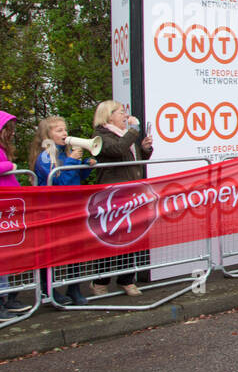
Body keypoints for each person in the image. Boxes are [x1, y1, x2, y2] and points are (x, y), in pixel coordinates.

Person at [91, 99, 154, 297]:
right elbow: (116, 150)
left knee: (131, 236)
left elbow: (131, 159)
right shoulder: (101, 136)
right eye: (120, 112)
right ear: (108, 116)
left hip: (131, 194)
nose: (125, 116)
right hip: (112, 196)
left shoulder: (123, 136)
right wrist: (134, 131)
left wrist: (144, 149)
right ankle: (101, 280)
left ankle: (127, 279)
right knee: (110, 238)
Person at [27, 116, 92, 305]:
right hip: (52, 211)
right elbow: (60, 181)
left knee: (75, 250)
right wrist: (72, 162)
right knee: (51, 252)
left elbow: (74, 177)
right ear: (47, 135)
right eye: (58, 130)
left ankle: (74, 288)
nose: (64, 133)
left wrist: (85, 164)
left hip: (72, 208)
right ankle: (49, 290)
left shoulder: (66, 153)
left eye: (65, 129)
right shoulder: (46, 157)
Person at [0, 112, 24, 317]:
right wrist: (10, 166)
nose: (12, 132)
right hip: (3, 205)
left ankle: (6, 298)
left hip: (8, 207)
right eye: (9, 128)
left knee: (6, 255)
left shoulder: (3, 149)